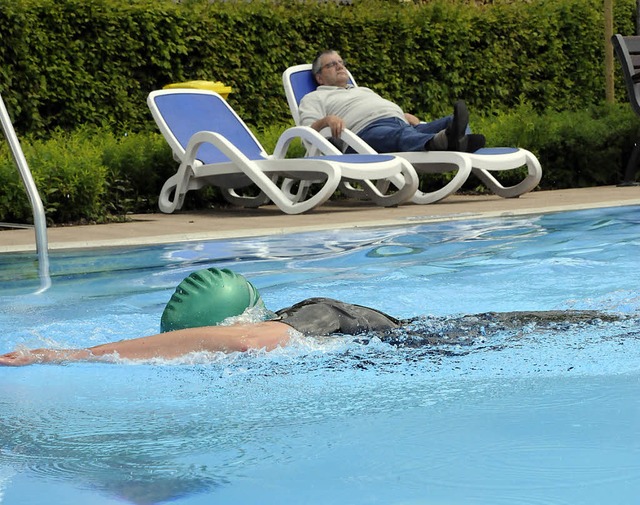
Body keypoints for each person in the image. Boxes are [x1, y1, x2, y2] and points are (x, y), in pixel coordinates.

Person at [0, 267, 623, 367]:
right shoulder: (308, 317)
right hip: (455, 333)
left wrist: (73, 354)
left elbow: (247, 342)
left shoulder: (290, 325)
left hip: (463, 340)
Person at [298, 50, 486, 154]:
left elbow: (376, 109)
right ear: (320, 78)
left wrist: (400, 114)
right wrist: (326, 120)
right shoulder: (315, 97)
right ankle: (445, 142)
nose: (340, 66)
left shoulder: (362, 90)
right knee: (400, 135)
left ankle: (456, 142)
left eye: (341, 62)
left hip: (399, 124)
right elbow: (306, 132)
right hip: (364, 134)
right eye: (331, 64)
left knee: (450, 121)